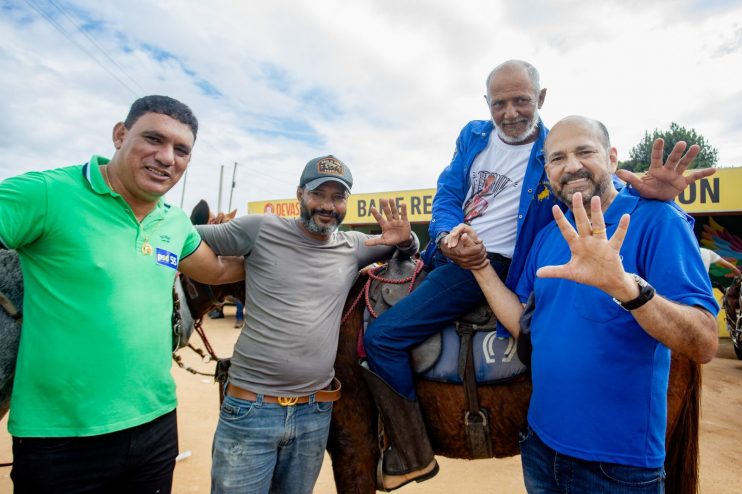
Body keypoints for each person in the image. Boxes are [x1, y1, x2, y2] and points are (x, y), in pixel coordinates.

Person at [362, 59, 714, 489]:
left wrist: (646, 208)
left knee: (382, 337)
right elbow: (449, 193)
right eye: (499, 103)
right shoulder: (475, 139)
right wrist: (452, 236)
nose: (510, 113)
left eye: (522, 101)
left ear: (541, 98)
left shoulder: (595, 179)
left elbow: (602, 186)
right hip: (540, 448)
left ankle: (408, 451)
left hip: (614, 463)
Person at [452, 115, 719, 492]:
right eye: (557, 158)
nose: (572, 165)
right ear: (547, 172)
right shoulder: (548, 236)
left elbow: (704, 342)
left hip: (617, 466)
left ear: (612, 158)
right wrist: (479, 265)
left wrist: (628, 289)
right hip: (542, 449)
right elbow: (525, 325)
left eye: (585, 151)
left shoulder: (657, 219)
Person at [0, 95, 244, 493]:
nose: (167, 157)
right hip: (60, 438)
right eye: (154, 139)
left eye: (181, 150)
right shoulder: (46, 193)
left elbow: (217, 269)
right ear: (120, 135)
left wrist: (301, 256)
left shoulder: (175, 222)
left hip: (156, 425)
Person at [195, 155, 422, 494]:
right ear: (300, 194)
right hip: (252, 410)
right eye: (319, 194)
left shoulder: (353, 246)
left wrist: (406, 240)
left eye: (338, 197)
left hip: (313, 414)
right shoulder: (259, 229)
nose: (328, 206)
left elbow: (404, 248)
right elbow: (184, 237)